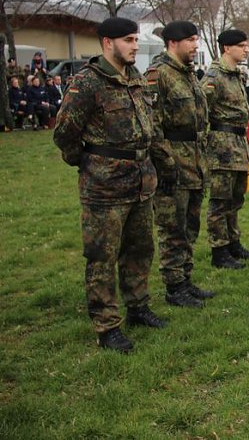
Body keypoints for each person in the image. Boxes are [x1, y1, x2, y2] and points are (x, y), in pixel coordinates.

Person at [53, 17, 166, 353]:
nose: (135, 45)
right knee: (102, 256)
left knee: (140, 249)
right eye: (129, 40)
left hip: (141, 181)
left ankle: (138, 306)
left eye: (135, 39)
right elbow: (64, 134)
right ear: (107, 43)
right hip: (104, 188)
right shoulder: (87, 83)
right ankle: (106, 325)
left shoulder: (136, 79)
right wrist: (89, 163)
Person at [146, 20, 213, 309]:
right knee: (172, 228)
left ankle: (185, 279)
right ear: (173, 42)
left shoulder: (187, 74)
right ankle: (174, 287)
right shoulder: (158, 74)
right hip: (173, 164)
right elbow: (151, 126)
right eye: (191, 40)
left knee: (189, 226)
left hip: (195, 162)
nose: (195, 45)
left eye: (196, 40)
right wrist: (166, 164)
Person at [202, 29, 249, 269]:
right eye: (242, 46)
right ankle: (219, 251)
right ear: (227, 48)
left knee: (236, 198)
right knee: (220, 201)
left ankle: (233, 243)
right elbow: (201, 110)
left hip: (238, 144)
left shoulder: (236, 74)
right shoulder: (214, 77)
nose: (246, 49)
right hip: (221, 147)